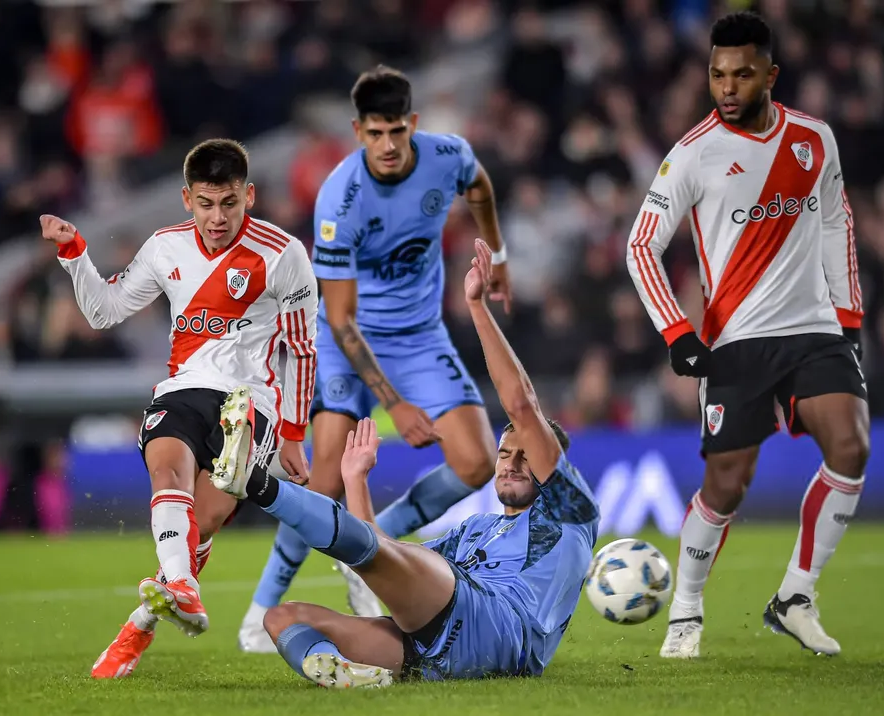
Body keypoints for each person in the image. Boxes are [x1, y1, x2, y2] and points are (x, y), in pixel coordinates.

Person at [213, 238, 598, 687]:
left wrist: (477, 307)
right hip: (439, 655)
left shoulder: (570, 510)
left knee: (397, 557)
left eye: (526, 456)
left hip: (500, 628)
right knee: (283, 618)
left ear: (552, 467)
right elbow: (379, 558)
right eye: (504, 453)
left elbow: (521, 404)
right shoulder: (476, 529)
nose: (510, 464)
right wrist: (355, 480)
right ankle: (341, 673)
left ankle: (255, 483)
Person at [239, 65, 514, 650]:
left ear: (412, 123)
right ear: (357, 131)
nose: (387, 145)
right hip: (347, 341)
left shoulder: (448, 155)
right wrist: (396, 403)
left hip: (419, 338)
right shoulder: (340, 198)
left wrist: (498, 254)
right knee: (322, 481)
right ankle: (261, 608)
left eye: (396, 131)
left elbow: (480, 187)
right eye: (374, 133)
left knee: (477, 462)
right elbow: (340, 318)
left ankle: (373, 540)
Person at [625, 11, 869, 660]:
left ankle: (796, 597)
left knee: (851, 446)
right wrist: (678, 333)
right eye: (717, 75)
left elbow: (836, 224)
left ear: (770, 74)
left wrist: (849, 318)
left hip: (814, 328)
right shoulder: (693, 153)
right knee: (727, 483)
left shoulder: (814, 139)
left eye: (742, 74)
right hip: (736, 340)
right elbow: (641, 246)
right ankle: (685, 610)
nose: (727, 87)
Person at [40, 138, 319, 678]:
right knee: (167, 470)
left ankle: (142, 622)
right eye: (206, 204)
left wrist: (293, 434)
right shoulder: (165, 247)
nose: (218, 217)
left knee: (204, 521)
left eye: (229, 203)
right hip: (184, 388)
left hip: (251, 401)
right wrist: (74, 252)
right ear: (187, 199)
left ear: (249, 196)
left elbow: (303, 349)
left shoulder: (283, 254)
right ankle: (183, 590)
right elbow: (103, 312)